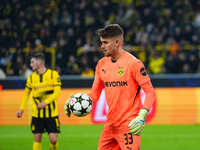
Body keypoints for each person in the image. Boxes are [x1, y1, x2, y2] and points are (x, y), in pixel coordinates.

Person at [65, 24, 156, 150]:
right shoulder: (101, 64)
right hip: (110, 125)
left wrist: (142, 115)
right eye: (101, 42)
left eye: (105, 43)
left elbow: (150, 91)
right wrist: (76, 101)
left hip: (129, 125)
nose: (101, 46)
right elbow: (94, 94)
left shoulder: (134, 64)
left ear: (117, 42)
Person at [16, 52, 61, 150]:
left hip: (52, 113)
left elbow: (57, 93)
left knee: (53, 140)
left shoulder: (53, 74)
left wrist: (45, 102)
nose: (30, 64)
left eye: (32, 62)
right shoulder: (31, 78)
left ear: (39, 62)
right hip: (36, 113)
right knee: (37, 138)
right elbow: (26, 94)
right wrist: (21, 109)